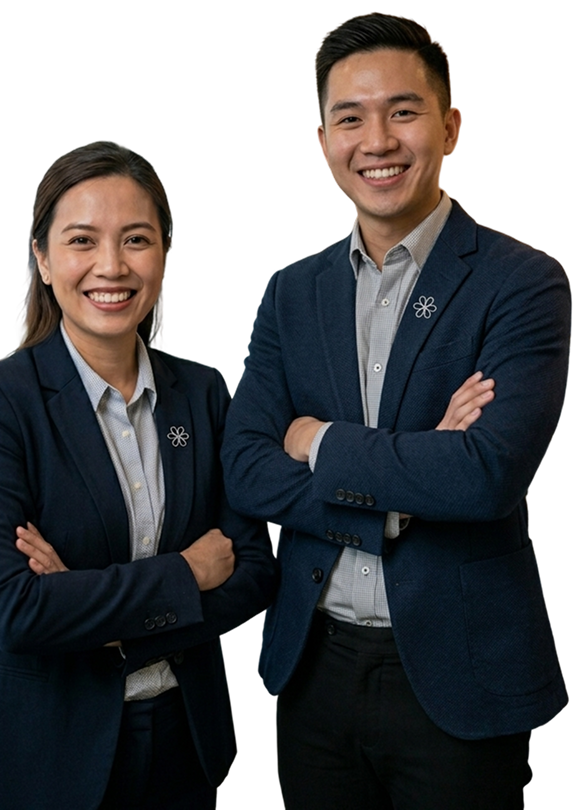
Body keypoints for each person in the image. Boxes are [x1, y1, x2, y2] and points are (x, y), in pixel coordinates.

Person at [221, 13, 570, 810]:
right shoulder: (291, 289)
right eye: (350, 118)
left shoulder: (521, 282)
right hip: (309, 667)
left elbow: (484, 478)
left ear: (449, 128)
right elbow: (243, 467)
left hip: (462, 675)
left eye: (402, 112)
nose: (376, 140)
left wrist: (318, 440)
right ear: (322, 141)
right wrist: (396, 502)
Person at [0, 140, 275, 810]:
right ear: (42, 257)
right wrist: (184, 575)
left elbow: (256, 569)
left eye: (136, 240)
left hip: (188, 741)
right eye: (82, 240)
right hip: (37, 754)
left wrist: (92, 611)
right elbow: (14, 611)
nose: (111, 267)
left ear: (166, 253)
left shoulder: (205, 391)